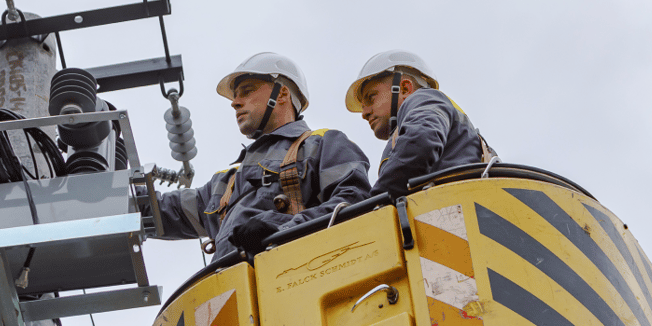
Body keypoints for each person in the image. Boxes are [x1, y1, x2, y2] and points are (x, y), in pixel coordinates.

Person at [156, 52, 372, 258]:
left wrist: (281, 229)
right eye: (235, 96)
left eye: (247, 91)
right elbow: (159, 212)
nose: (235, 102)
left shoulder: (322, 144)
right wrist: (124, 183)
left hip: (296, 281)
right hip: (230, 289)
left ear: (282, 94)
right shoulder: (225, 183)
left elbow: (353, 202)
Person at [346, 50, 494, 198]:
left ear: (404, 88)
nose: (364, 113)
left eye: (371, 97)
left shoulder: (424, 99)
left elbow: (421, 141)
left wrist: (376, 204)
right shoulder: (414, 124)